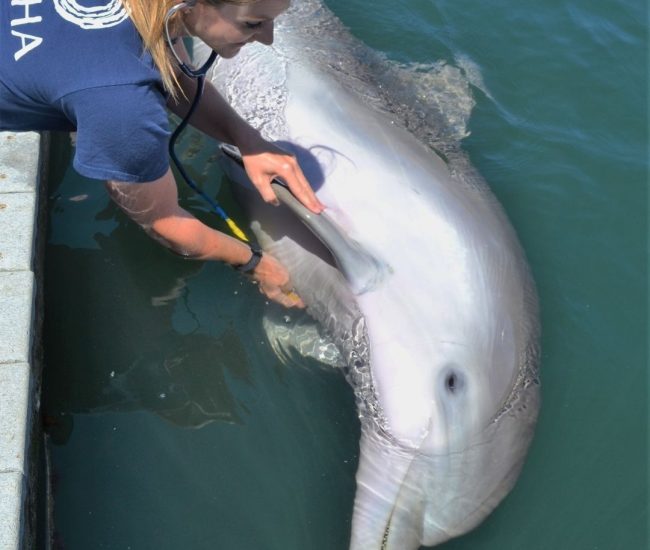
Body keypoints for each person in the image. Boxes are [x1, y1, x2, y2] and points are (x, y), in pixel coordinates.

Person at [0, 0, 324, 308]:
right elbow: (164, 224)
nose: (268, 39)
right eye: (253, 23)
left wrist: (249, 140)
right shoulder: (122, 104)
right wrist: (255, 263)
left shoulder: (159, 11)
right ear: (192, 6)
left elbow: (177, 79)